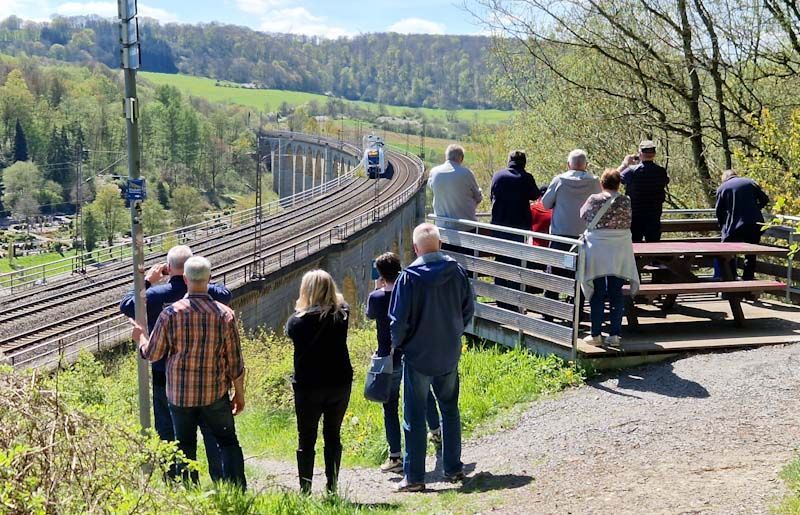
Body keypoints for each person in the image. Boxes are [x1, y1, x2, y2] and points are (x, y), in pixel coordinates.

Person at [131, 256, 247, 488]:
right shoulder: (225, 315)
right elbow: (235, 362)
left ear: (185, 279)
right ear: (209, 279)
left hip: (180, 396)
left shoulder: (170, 314)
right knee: (227, 441)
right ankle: (235, 491)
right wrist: (239, 394)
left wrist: (141, 337)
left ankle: (189, 496)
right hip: (215, 394)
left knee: (184, 446)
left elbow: (153, 354)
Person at [390, 223, 475, 492]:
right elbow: (468, 310)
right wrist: (454, 335)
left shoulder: (409, 277)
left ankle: (414, 477)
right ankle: (453, 469)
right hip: (449, 352)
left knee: (414, 415)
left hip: (418, 356)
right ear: (439, 244)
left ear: (416, 249)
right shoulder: (458, 272)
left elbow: (397, 321)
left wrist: (401, 345)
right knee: (450, 409)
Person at [366, 253, 442, 475]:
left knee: (390, 407)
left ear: (380, 274)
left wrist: (378, 287)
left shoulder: (376, 297)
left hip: (388, 360)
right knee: (424, 394)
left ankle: (395, 457)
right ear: (400, 269)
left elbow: (370, 315)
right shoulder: (409, 291)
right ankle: (436, 432)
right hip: (411, 353)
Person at [286, 270, 353, 494]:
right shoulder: (342, 316)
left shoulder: (296, 323)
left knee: (306, 437)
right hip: (339, 383)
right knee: (333, 434)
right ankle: (332, 487)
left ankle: (305, 489)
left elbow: (296, 325)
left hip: (308, 386)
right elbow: (341, 304)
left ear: (305, 291)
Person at [579, 170, 640, 347]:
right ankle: (614, 335)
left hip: (597, 249)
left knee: (597, 292)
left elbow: (583, 215)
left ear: (602, 184)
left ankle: (596, 334)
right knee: (616, 292)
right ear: (618, 184)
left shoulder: (593, 199)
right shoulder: (626, 200)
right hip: (620, 250)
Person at [541, 149, 601, 306]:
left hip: (560, 235)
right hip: (584, 237)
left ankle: (550, 312)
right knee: (580, 276)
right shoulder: (594, 181)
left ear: (568, 164)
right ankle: (576, 314)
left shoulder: (559, 180)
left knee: (555, 275)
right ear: (586, 165)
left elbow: (545, 204)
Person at [489, 150, 540, 311]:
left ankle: (500, 300)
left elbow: (492, 196)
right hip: (519, 228)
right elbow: (535, 195)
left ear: (509, 160)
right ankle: (513, 302)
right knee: (516, 263)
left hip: (499, 227)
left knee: (501, 261)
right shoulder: (526, 178)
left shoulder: (498, 176)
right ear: (524, 162)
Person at [715, 169, 770, 280]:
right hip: (754, 224)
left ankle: (730, 279)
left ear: (724, 179)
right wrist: (755, 209)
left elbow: (719, 211)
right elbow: (765, 199)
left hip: (734, 226)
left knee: (726, 253)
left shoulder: (722, 188)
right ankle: (748, 279)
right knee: (751, 254)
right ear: (735, 175)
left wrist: (722, 226)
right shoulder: (750, 183)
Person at [617, 140, 670, 242]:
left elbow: (612, 178)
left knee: (635, 245)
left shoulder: (631, 171)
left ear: (640, 153)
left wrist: (624, 164)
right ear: (654, 154)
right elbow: (665, 181)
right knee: (654, 244)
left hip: (635, 214)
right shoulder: (661, 172)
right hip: (654, 214)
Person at [428, 144, 483, 236]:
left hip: (442, 227)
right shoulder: (466, 173)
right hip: (465, 227)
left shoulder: (434, 172)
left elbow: (432, 187)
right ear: (461, 158)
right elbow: (478, 197)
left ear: (446, 157)